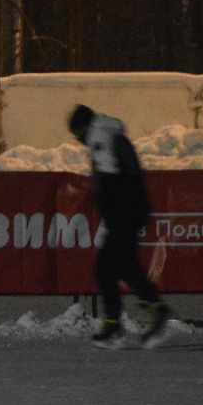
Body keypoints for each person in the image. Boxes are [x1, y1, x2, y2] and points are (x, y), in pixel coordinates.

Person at [67, 103, 173, 348]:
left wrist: (113, 209)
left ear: (83, 128)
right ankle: (115, 322)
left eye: (77, 135)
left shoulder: (100, 137)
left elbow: (109, 178)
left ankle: (152, 309)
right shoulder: (109, 135)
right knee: (107, 266)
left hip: (124, 210)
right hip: (127, 209)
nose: (78, 140)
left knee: (117, 263)